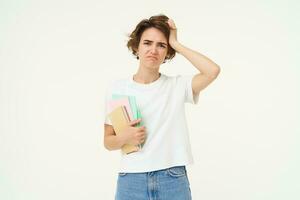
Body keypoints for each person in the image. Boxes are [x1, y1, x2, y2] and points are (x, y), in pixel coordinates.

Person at [103, 14, 220, 200]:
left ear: (168, 52)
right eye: (147, 43)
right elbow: (108, 142)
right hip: (131, 179)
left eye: (161, 45)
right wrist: (124, 137)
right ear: (137, 46)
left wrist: (176, 43)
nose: (153, 50)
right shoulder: (118, 88)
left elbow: (212, 71)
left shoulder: (177, 86)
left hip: (172, 179)